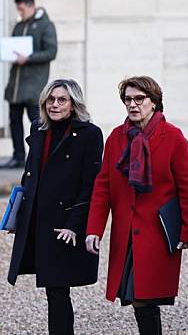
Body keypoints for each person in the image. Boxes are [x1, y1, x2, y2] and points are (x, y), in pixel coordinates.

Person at [85, 76, 188, 335]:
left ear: (154, 102)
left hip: (157, 232)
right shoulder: (116, 137)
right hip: (126, 232)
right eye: (128, 99)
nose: (133, 105)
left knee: (143, 297)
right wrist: (94, 229)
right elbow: (103, 185)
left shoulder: (173, 137)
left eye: (139, 99)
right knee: (138, 298)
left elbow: (187, 187)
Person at [7, 79, 102, 334]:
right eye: (51, 99)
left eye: (62, 100)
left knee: (59, 289)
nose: (55, 104)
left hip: (65, 223)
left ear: (73, 104)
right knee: (52, 289)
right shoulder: (39, 128)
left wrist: (74, 226)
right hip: (40, 220)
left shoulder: (89, 134)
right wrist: (19, 218)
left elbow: (89, 185)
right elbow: (30, 177)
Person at [2, 0, 58, 169]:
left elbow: (51, 52)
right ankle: (18, 156)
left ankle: (41, 156)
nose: (20, 13)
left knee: (38, 122)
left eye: (22, 9)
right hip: (16, 86)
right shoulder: (19, 26)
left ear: (31, 6)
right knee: (14, 121)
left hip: (34, 87)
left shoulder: (46, 26)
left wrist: (29, 58)